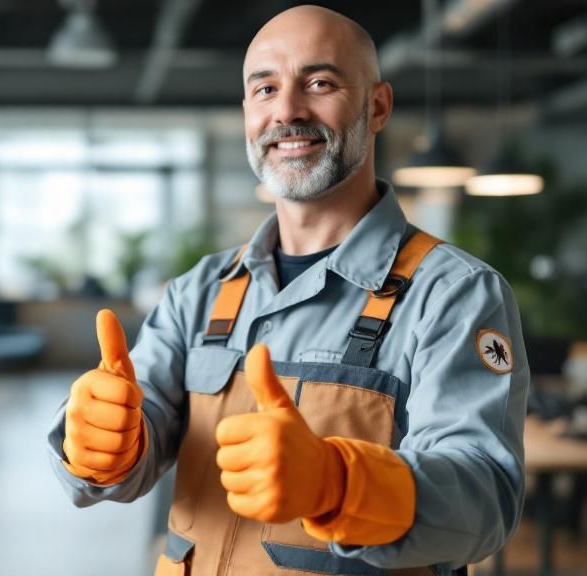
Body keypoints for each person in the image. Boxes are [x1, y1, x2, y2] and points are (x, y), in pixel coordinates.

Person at [46, 5, 528, 576]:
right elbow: (133, 434)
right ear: (248, 112)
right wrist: (103, 444)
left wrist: (338, 483)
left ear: (377, 106)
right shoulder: (200, 291)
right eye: (266, 89)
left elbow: (484, 498)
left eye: (319, 83)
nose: (288, 111)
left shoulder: (454, 294)